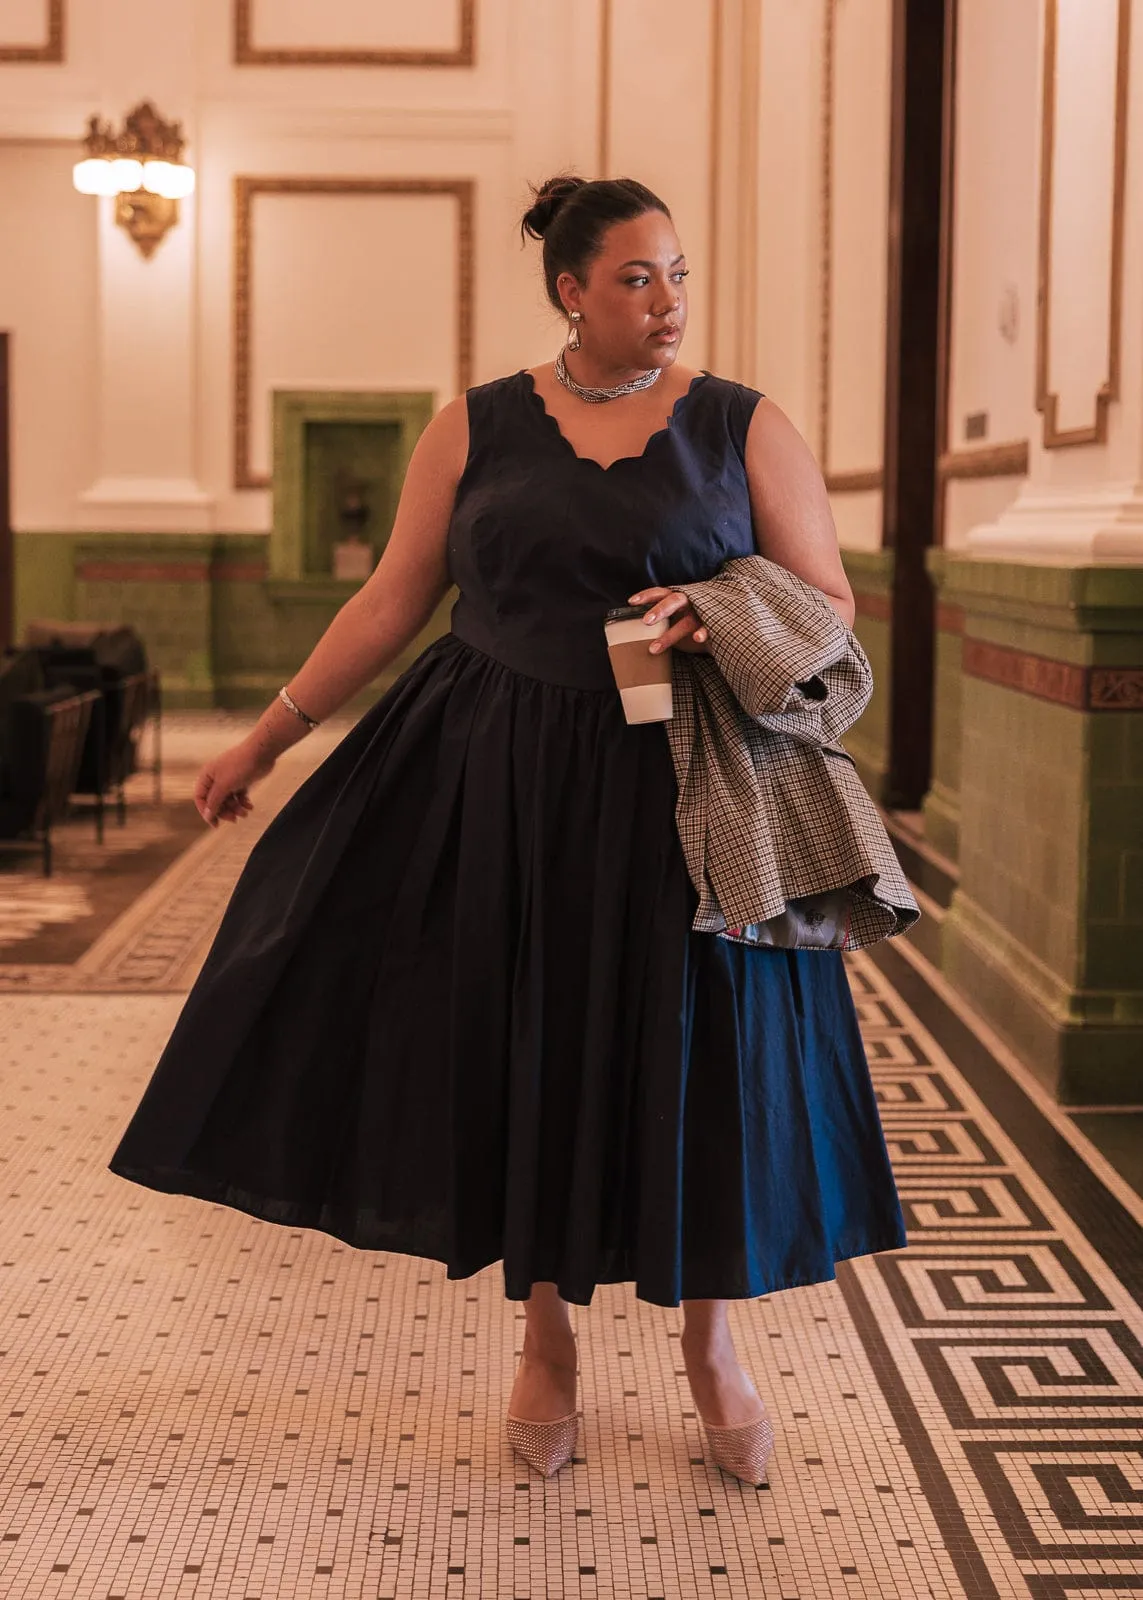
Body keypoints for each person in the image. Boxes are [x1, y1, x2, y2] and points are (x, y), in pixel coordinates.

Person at [108, 175, 908, 1486]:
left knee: (698, 1044)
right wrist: (263, 737)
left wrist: (721, 610)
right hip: (501, 778)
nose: (666, 302)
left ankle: (713, 1348)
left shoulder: (741, 424)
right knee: (528, 1040)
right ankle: (546, 1346)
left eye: (677, 275)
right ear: (570, 292)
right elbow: (387, 602)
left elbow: (827, 599)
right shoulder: (471, 426)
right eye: (637, 278)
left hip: (690, 784)